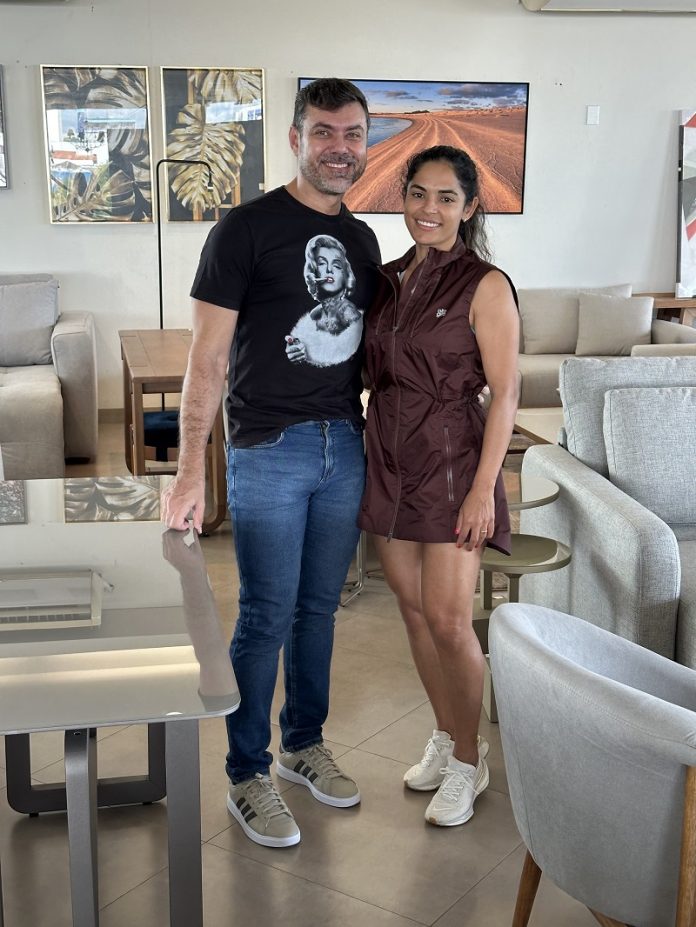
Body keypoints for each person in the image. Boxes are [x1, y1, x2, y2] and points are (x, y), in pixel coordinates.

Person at [161, 78, 381, 849]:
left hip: (341, 445)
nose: (339, 148)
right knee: (265, 613)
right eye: (324, 132)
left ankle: (302, 744)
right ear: (295, 139)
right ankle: (246, 772)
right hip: (267, 450)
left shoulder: (363, 241)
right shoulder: (245, 229)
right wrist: (191, 470)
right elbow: (206, 358)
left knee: (319, 610)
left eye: (352, 134)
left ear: (366, 143)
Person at [358, 145, 519, 828]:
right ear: (403, 198)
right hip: (387, 459)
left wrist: (484, 489)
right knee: (415, 612)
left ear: (469, 206)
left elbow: (506, 393)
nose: (429, 209)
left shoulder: (486, 285)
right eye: (418, 194)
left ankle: (468, 759)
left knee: (451, 620)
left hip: (452, 464)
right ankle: (446, 733)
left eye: (446, 197)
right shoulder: (387, 280)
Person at [285, 234, 363, 367]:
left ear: (346, 275)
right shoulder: (315, 314)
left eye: (337, 265)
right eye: (321, 263)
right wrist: (295, 349)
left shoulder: (348, 312)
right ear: (313, 272)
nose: (329, 270)